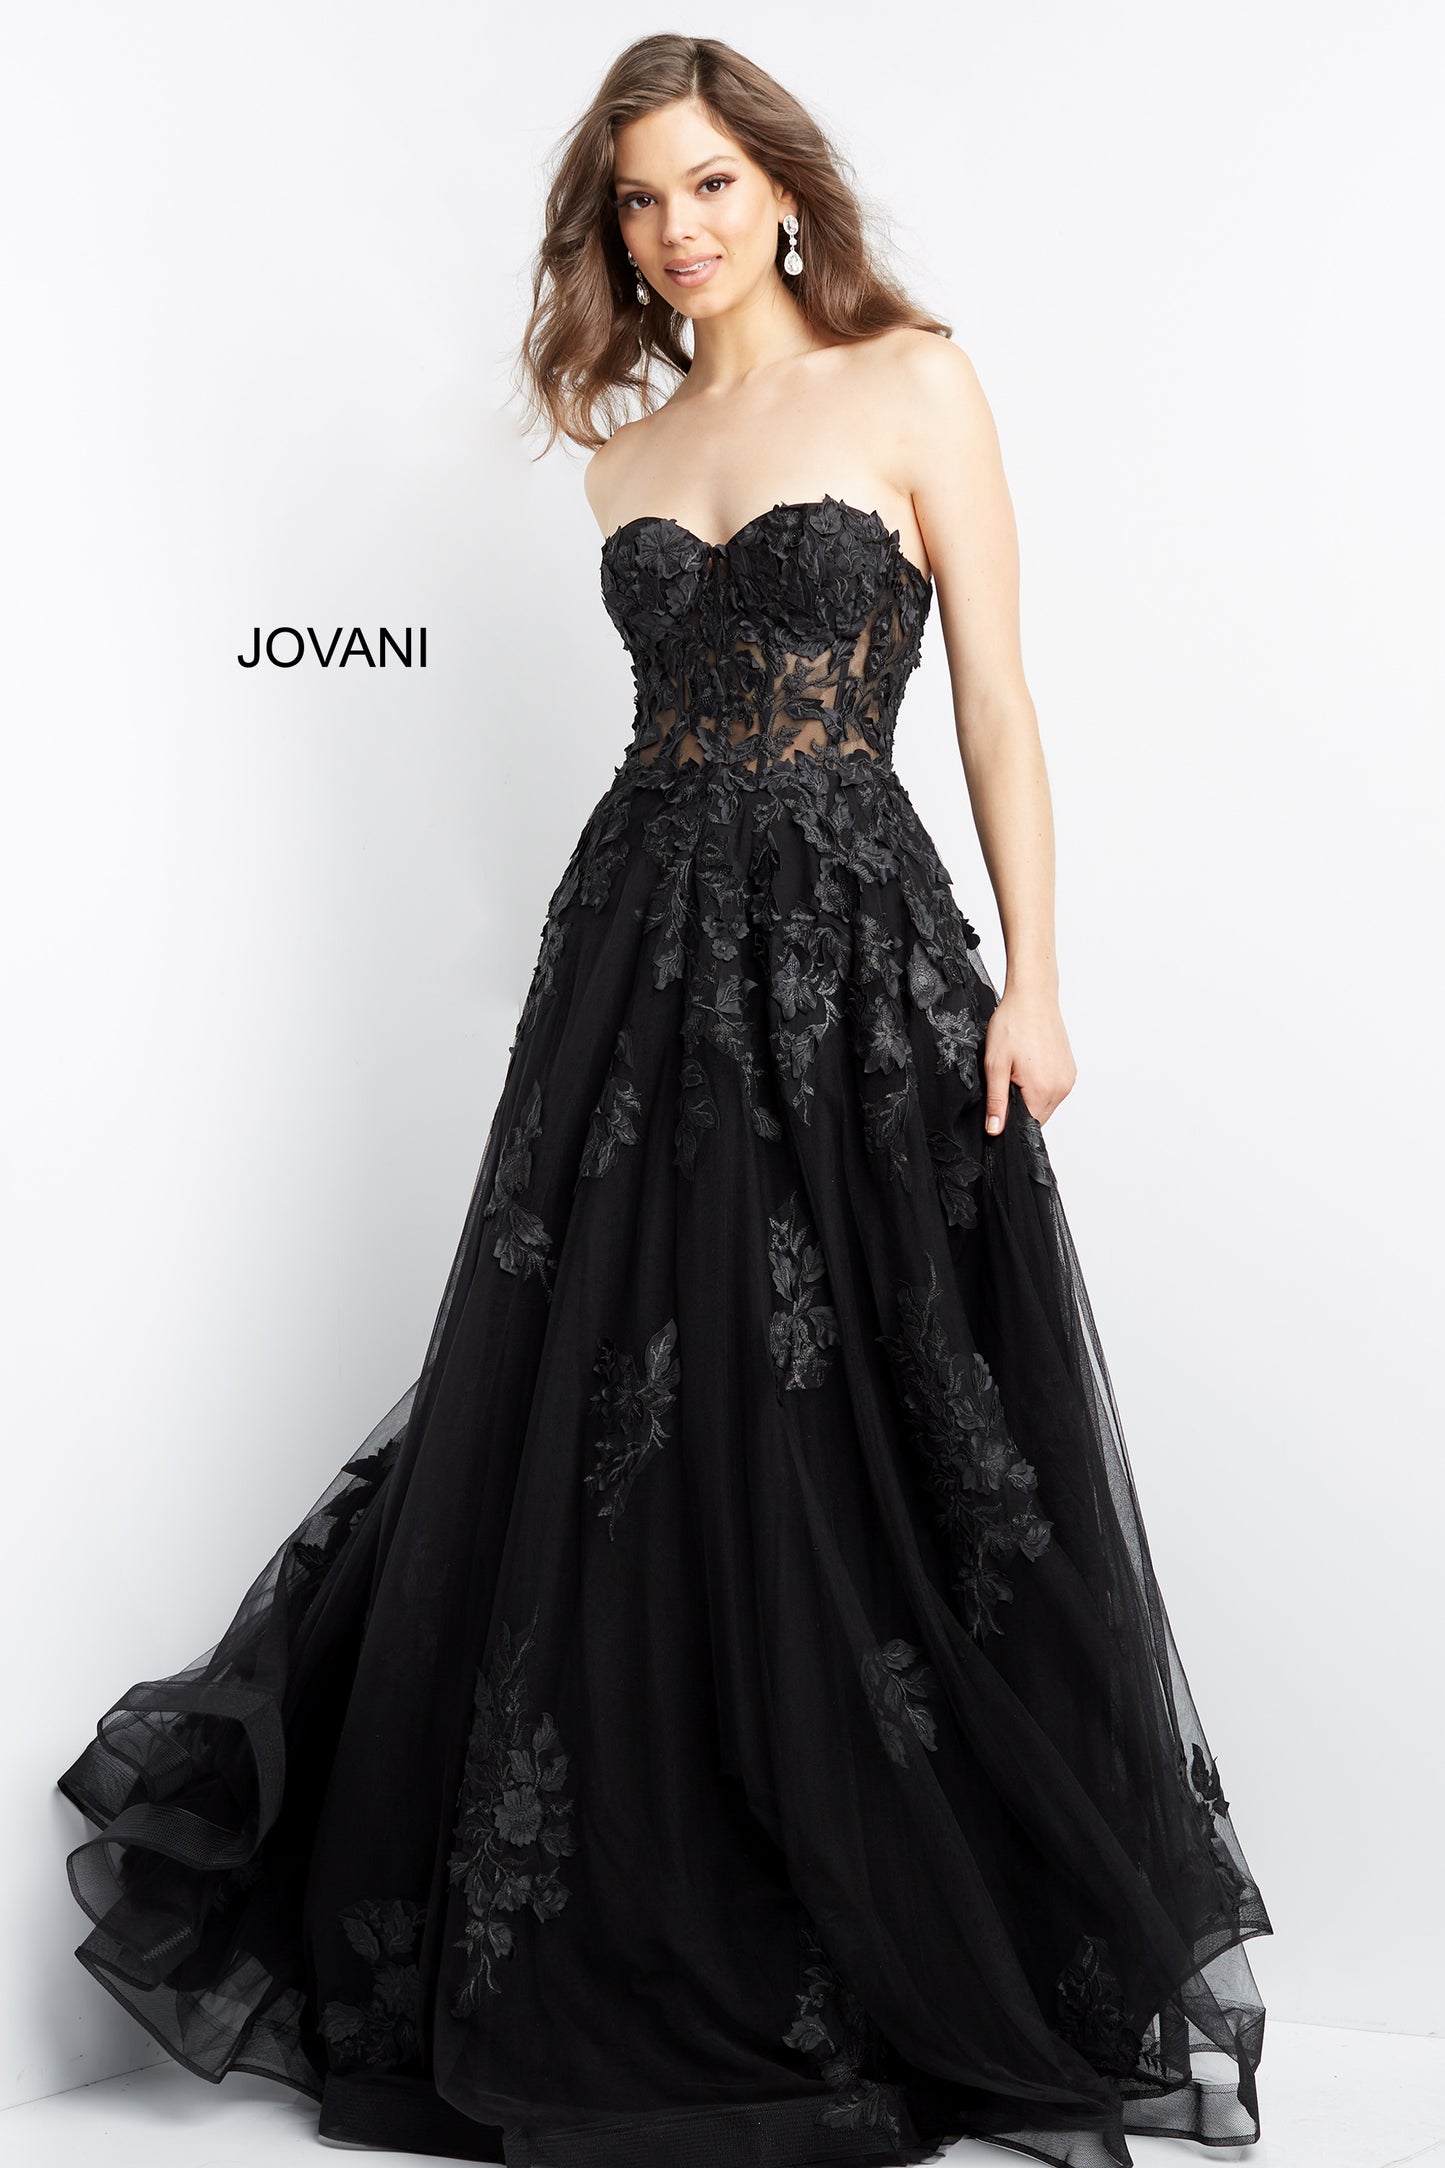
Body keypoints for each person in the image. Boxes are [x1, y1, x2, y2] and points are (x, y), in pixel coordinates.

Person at [56, 34, 1272, 2168]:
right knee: (632, 1430)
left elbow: (996, 696)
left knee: (891, 1436)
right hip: (627, 969)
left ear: (781, 188)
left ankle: (948, 1938)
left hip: (852, 968)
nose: (677, 228)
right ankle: (653, 1933)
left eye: (708, 183)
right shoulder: (622, 459)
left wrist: (1037, 975)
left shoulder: (913, 384)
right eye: (639, 199)